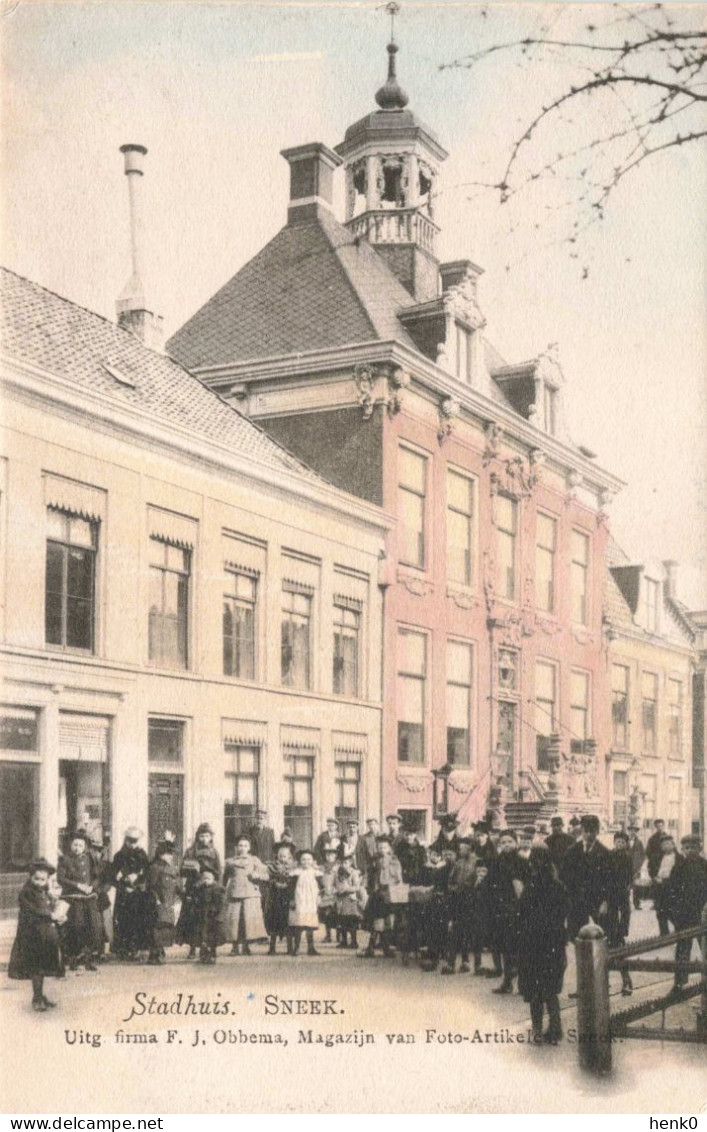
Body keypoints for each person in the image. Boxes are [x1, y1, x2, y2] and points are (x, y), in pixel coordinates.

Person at [517, 846, 568, 1044]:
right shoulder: (558, 886)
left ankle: (537, 1030)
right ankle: (555, 1029)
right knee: (550, 990)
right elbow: (564, 912)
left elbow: (521, 914)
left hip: (532, 944)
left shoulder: (530, 887)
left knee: (534, 991)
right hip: (554, 943)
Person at [8, 858, 66, 1012]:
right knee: (36, 967)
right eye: (37, 879)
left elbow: (51, 907)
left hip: (45, 934)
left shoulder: (45, 891)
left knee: (43, 966)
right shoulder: (26, 892)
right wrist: (50, 915)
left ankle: (41, 996)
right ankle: (36, 998)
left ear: (47, 879)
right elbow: (33, 910)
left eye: (43, 879)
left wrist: (59, 914)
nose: (40, 882)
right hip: (31, 934)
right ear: (31, 877)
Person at [484, 830, 530, 993]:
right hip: (500, 909)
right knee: (504, 947)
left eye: (510, 841)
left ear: (516, 843)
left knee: (519, 947)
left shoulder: (523, 862)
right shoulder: (496, 862)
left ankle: (524, 983)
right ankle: (507, 981)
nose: (506, 845)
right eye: (503, 842)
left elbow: (528, 885)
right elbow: (488, 884)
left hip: (518, 909)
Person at [665, 835, 707, 990]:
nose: (690, 851)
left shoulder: (705, 866)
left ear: (699, 848)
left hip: (702, 915)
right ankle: (679, 983)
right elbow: (671, 891)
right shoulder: (679, 867)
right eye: (687, 848)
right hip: (683, 916)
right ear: (682, 850)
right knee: (682, 949)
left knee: (705, 948)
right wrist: (675, 915)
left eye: (693, 848)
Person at [57, 830, 103, 972]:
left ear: (85, 847)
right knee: (77, 927)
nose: (77, 848)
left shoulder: (90, 858)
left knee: (93, 927)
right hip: (73, 897)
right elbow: (61, 878)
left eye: (80, 845)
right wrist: (78, 885)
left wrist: (91, 887)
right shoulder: (65, 859)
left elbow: (97, 876)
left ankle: (88, 959)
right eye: (75, 845)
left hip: (88, 897)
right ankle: (73, 959)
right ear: (71, 846)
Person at [560, 814, 611, 941]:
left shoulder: (605, 853)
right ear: (581, 831)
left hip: (597, 900)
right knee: (576, 936)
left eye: (592, 831)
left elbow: (610, 880)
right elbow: (564, 876)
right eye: (586, 831)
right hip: (576, 900)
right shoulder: (571, 851)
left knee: (603, 935)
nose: (589, 835)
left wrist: (605, 902)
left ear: (597, 831)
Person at [177, 823, 222, 958]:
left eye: (207, 836)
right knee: (193, 919)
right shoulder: (190, 851)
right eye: (202, 836)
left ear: (211, 837)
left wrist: (214, 882)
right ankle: (192, 949)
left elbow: (219, 871)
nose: (204, 839)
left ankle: (210, 948)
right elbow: (182, 870)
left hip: (209, 888)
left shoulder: (214, 852)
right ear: (197, 837)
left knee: (209, 919)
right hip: (194, 888)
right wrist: (192, 870)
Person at [222, 836, 268, 956]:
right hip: (234, 893)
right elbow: (224, 878)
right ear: (236, 847)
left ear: (249, 847)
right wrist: (222, 891)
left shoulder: (254, 860)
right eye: (240, 845)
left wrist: (257, 875)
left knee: (247, 921)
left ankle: (246, 947)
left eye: (245, 845)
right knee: (234, 921)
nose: (243, 848)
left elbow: (266, 875)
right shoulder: (229, 861)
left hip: (250, 894)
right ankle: (235, 947)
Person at [360, 835, 403, 959]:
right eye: (380, 847)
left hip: (388, 893)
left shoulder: (394, 861)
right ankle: (370, 947)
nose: (382, 849)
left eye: (384, 847)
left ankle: (385, 947)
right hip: (377, 894)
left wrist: (396, 886)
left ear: (389, 848)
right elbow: (370, 876)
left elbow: (398, 877)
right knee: (376, 921)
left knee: (387, 922)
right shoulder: (375, 861)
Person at [111, 827, 150, 960]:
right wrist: (122, 882)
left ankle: (137, 949)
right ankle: (122, 950)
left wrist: (138, 879)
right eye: (130, 841)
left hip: (138, 893)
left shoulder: (143, 855)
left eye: (135, 841)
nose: (133, 844)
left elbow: (147, 873)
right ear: (125, 840)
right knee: (123, 921)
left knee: (138, 920)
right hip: (124, 893)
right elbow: (113, 876)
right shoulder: (119, 856)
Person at [441, 837, 478, 975]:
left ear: (470, 848)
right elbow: (451, 881)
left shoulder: (476, 862)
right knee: (456, 931)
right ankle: (451, 963)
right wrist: (454, 889)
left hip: (471, 900)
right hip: (458, 900)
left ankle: (466, 961)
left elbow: (478, 880)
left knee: (466, 932)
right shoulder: (459, 863)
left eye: (463, 848)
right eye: (460, 848)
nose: (461, 850)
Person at [607, 831, 634, 995]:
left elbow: (629, 880)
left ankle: (626, 981)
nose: (619, 844)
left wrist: (624, 926)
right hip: (610, 902)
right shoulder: (609, 856)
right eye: (617, 842)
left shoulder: (627, 858)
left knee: (617, 945)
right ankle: (618, 982)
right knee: (610, 947)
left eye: (622, 842)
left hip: (620, 899)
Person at [145, 840, 179, 965]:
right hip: (158, 902)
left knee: (165, 927)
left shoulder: (171, 868)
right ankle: (155, 953)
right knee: (157, 927)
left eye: (171, 854)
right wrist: (157, 900)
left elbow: (175, 885)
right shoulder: (154, 867)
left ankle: (159, 952)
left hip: (169, 901)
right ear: (160, 854)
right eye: (168, 853)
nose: (170, 856)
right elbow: (151, 886)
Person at [264, 842, 296, 955]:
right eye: (280, 855)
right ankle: (272, 947)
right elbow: (268, 879)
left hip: (287, 896)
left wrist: (288, 884)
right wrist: (274, 883)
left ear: (290, 856)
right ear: (277, 855)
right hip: (275, 897)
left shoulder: (293, 868)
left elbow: (295, 881)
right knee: (274, 922)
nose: (283, 858)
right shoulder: (272, 867)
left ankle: (290, 948)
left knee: (288, 922)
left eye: (285, 855)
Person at [289, 850, 323, 956]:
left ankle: (311, 948)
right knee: (299, 924)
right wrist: (292, 900)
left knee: (310, 925)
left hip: (311, 901)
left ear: (313, 861)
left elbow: (322, 887)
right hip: (300, 900)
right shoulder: (296, 873)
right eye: (303, 859)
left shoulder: (316, 873)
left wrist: (319, 897)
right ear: (299, 861)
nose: (306, 862)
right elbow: (291, 888)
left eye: (309, 859)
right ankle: (296, 947)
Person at [192, 862, 225, 964]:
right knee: (203, 935)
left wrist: (215, 910)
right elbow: (196, 898)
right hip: (203, 915)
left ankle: (213, 953)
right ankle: (204, 954)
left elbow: (220, 902)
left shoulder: (218, 889)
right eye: (204, 879)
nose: (206, 881)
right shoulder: (200, 888)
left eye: (208, 879)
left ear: (213, 879)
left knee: (213, 935)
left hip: (214, 916)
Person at [335, 846, 365, 950]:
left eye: (346, 863)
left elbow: (357, 887)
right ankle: (343, 940)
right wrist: (338, 890)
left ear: (350, 863)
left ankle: (354, 941)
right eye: (342, 863)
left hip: (351, 900)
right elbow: (337, 885)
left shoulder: (354, 874)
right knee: (342, 921)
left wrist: (347, 889)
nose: (344, 865)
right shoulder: (338, 873)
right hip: (342, 900)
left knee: (351, 921)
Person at [652, 832, 679, 936]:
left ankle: (679, 930)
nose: (665, 846)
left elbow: (677, 875)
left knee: (671, 912)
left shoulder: (678, 858)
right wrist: (655, 877)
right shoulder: (659, 858)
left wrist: (666, 881)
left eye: (668, 843)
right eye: (663, 844)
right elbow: (653, 868)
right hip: (660, 888)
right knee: (660, 912)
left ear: (673, 844)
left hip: (671, 887)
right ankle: (664, 933)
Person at [318, 846, 340, 944]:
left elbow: (339, 881)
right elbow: (319, 880)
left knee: (337, 915)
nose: (329, 856)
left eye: (331, 854)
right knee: (326, 915)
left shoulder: (338, 868)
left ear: (335, 856)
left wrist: (335, 889)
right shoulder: (322, 867)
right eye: (327, 855)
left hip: (334, 894)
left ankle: (339, 935)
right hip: (325, 894)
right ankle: (328, 935)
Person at [627, 823, 646, 909]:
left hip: (636, 867)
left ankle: (636, 904)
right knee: (625, 885)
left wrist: (639, 866)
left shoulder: (639, 842)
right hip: (625, 867)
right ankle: (625, 903)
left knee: (636, 887)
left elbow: (643, 855)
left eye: (634, 831)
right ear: (628, 831)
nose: (632, 832)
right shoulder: (625, 841)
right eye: (631, 830)